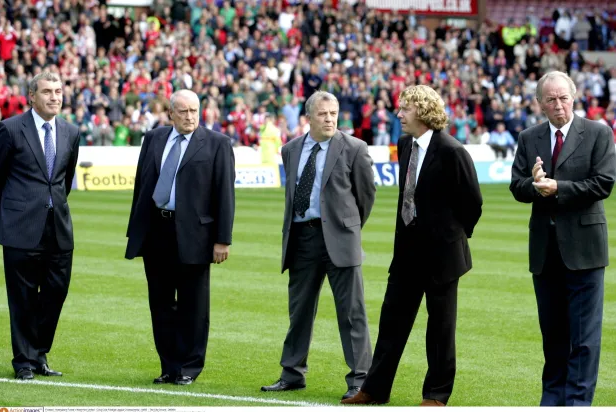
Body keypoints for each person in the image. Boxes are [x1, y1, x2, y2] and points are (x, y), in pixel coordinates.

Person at [342, 85, 483, 406]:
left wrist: (450, 238)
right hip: (407, 254)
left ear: (422, 111)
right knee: (392, 323)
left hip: (442, 257)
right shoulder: (405, 144)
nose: (399, 114)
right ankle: (374, 389)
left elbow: (472, 204)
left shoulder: (451, 150)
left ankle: (436, 395)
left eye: (404, 108)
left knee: (440, 329)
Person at [261, 91, 376, 400]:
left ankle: (360, 380)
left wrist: (346, 228)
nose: (329, 119)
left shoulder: (355, 148)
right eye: (323, 114)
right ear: (308, 118)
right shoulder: (291, 149)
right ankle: (292, 375)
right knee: (299, 312)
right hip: (302, 239)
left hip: (340, 239)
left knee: (352, 314)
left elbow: (366, 197)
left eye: (333, 113)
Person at [510, 71, 616, 406]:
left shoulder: (598, 132)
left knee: (584, 339)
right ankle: (552, 401)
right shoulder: (530, 138)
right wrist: (534, 184)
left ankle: (577, 404)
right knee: (553, 336)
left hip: (584, 250)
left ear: (575, 97)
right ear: (540, 103)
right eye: (551, 100)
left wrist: (558, 188)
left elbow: (603, 184)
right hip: (545, 251)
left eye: (564, 98)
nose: (559, 106)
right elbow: (517, 186)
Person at [125, 89, 235, 385]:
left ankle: (189, 367)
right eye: (183, 111)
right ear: (170, 113)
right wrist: (137, 229)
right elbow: (142, 184)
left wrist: (222, 239)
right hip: (157, 231)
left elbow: (225, 194)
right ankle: (169, 366)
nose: (189, 117)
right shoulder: (153, 138)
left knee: (194, 306)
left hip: (195, 236)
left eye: (194, 111)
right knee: (160, 304)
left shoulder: (217, 144)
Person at [0, 71, 80, 380]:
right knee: (22, 298)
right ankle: (24, 362)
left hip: (58, 226)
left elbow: (64, 180)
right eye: (47, 91)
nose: (55, 96)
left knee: (55, 293)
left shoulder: (71, 132)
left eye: (58, 91)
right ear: (32, 96)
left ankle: (38, 353)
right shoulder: (9, 129)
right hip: (20, 227)